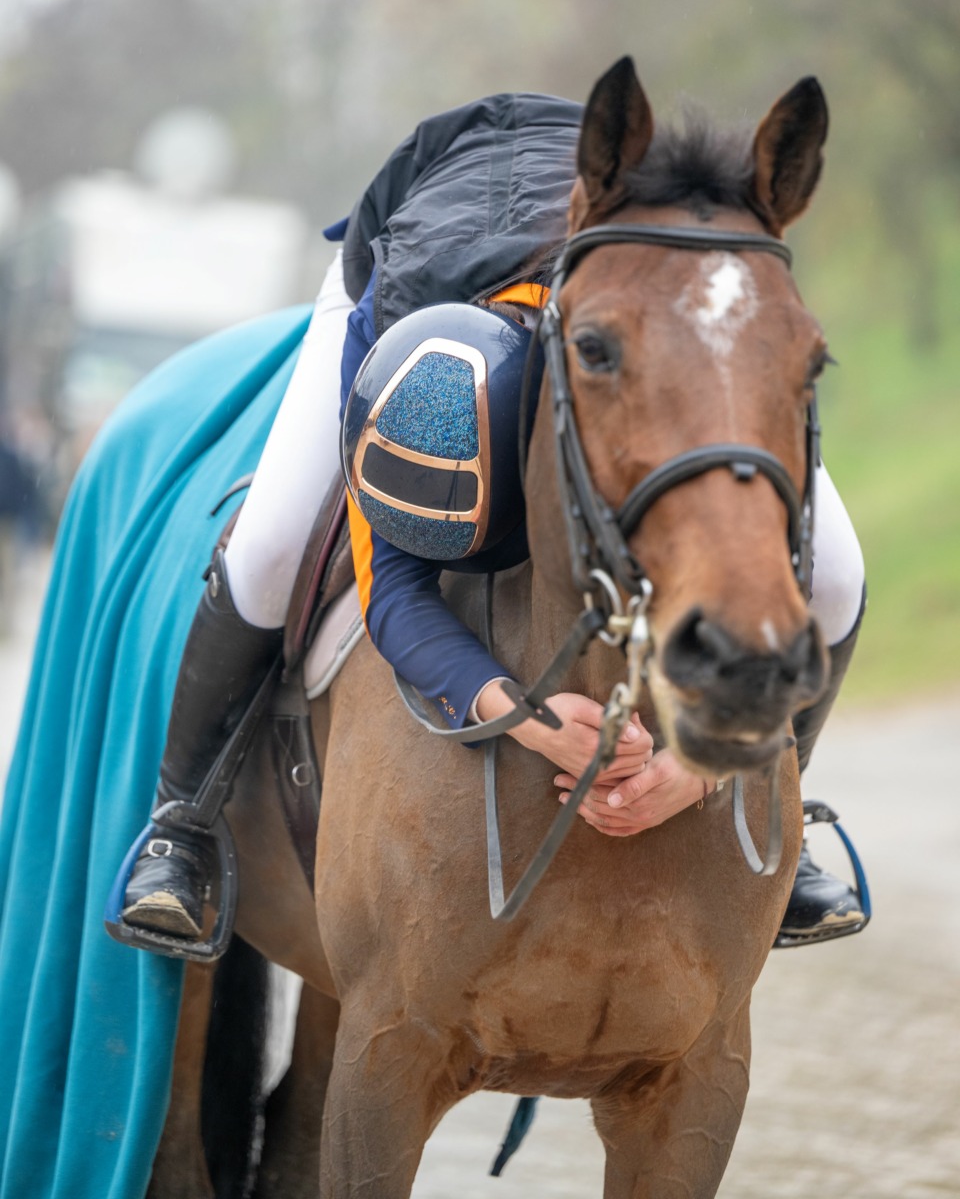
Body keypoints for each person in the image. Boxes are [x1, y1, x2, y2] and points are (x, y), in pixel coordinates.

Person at [118, 88, 867, 950]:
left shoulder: (665, 317)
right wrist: (523, 714)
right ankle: (180, 823)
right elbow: (391, 584)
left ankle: (789, 810)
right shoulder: (439, 377)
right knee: (272, 547)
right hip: (414, 254)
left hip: (639, 275)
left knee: (837, 573)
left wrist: (712, 767)